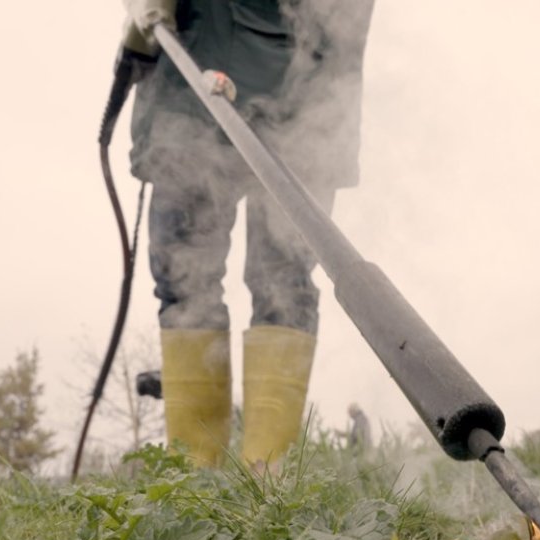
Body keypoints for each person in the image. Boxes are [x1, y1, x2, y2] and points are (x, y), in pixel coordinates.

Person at [119, 0, 375, 469]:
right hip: (197, 71)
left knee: (282, 277)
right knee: (191, 278)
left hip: (297, 83)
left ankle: (262, 480)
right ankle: (202, 480)